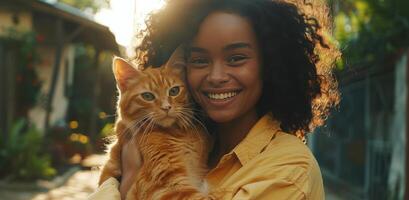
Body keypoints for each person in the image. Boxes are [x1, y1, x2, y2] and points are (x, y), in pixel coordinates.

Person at [88, 0, 340, 199]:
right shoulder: (199, 139)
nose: (216, 77)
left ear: (270, 64)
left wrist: (130, 179)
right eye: (199, 60)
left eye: (236, 58)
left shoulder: (288, 169)